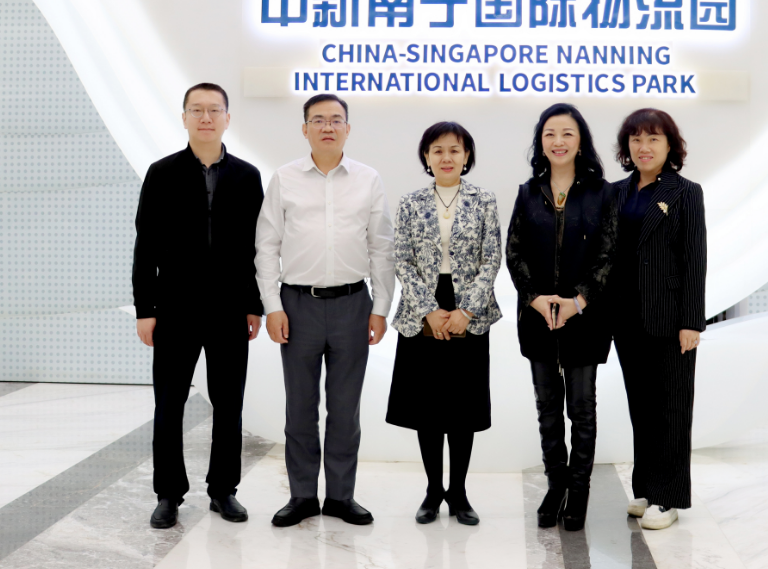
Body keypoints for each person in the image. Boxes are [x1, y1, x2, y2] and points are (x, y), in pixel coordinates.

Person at [255, 93, 396, 527]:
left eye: (336, 120)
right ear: (305, 129)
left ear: (348, 129)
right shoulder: (284, 178)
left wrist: (380, 308)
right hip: (297, 305)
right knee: (300, 407)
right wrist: (272, 306)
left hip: (354, 304)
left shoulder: (368, 179)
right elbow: (266, 246)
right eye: (318, 120)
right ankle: (301, 496)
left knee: (344, 409)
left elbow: (381, 247)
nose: (328, 127)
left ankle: (340, 496)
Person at [132, 82, 266, 530]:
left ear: (227, 118)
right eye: (197, 110)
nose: (205, 118)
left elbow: (255, 248)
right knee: (169, 405)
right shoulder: (162, 172)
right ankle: (168, 493)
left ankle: (223, 489)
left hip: (229, 309)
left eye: (214, 110)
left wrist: (254, 304)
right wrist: (145, 308)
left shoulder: (247, 176)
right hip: (175, 309)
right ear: (184, 117)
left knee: (229, 404)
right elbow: (145, 246)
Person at [386, 122, 502, 526]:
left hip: (470, 310)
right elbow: (402, 259)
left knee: (462, 407)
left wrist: (465, 311)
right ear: (426, 157)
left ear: (466, 156)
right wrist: (427, 309)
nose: (446, 157)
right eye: (437, 150)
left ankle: (460, 493)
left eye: (455, 150)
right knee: (428, 407)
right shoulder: (410, 202)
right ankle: (433, 491)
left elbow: (492, 258)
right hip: (423, 311)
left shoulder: (484, 200)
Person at [505, 103, 612, 530]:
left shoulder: (602, 193)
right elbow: (514, 252)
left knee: (581, 408)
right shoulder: (528, 192)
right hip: (537, 317)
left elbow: (608, 256)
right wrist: (534, 298)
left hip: (584, 317)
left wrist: (577, 301)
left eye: (567, 133)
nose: (558, 141)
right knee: (547, 407)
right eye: (550, 133)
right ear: (541, 143)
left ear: (580, 141)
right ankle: (556, 485)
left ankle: (579, 490)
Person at [608, 108, 706, 531]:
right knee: (642, 408)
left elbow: (695, 260)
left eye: (653, 139)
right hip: (626, 318)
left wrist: (692, 322)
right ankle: (647, 489)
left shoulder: (685, 192)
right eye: (636, 139)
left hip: (670, 318)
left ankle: (669, 498)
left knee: (672, 408)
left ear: (669, 145)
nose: (643, 147)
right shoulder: (616, 192)